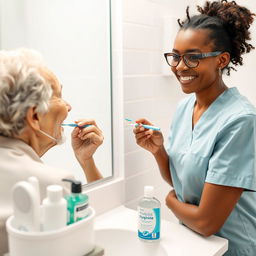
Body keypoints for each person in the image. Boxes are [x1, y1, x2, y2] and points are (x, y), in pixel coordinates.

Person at [133, 1, 256, 255]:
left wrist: (168, 201)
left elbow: (206, 221)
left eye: (192, 57)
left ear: (221, 60)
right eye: (176, 56)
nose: (179, 66)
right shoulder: (185, 107)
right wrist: (158, 151)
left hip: (234, 248)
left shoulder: (240, 121)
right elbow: (184, 184)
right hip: (195, 244)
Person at [0, 48, 103, 255]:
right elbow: (94, 229)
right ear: (35, 116)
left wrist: (86, 160)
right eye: (59, 95)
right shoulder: (53, 184)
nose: (68, 107)